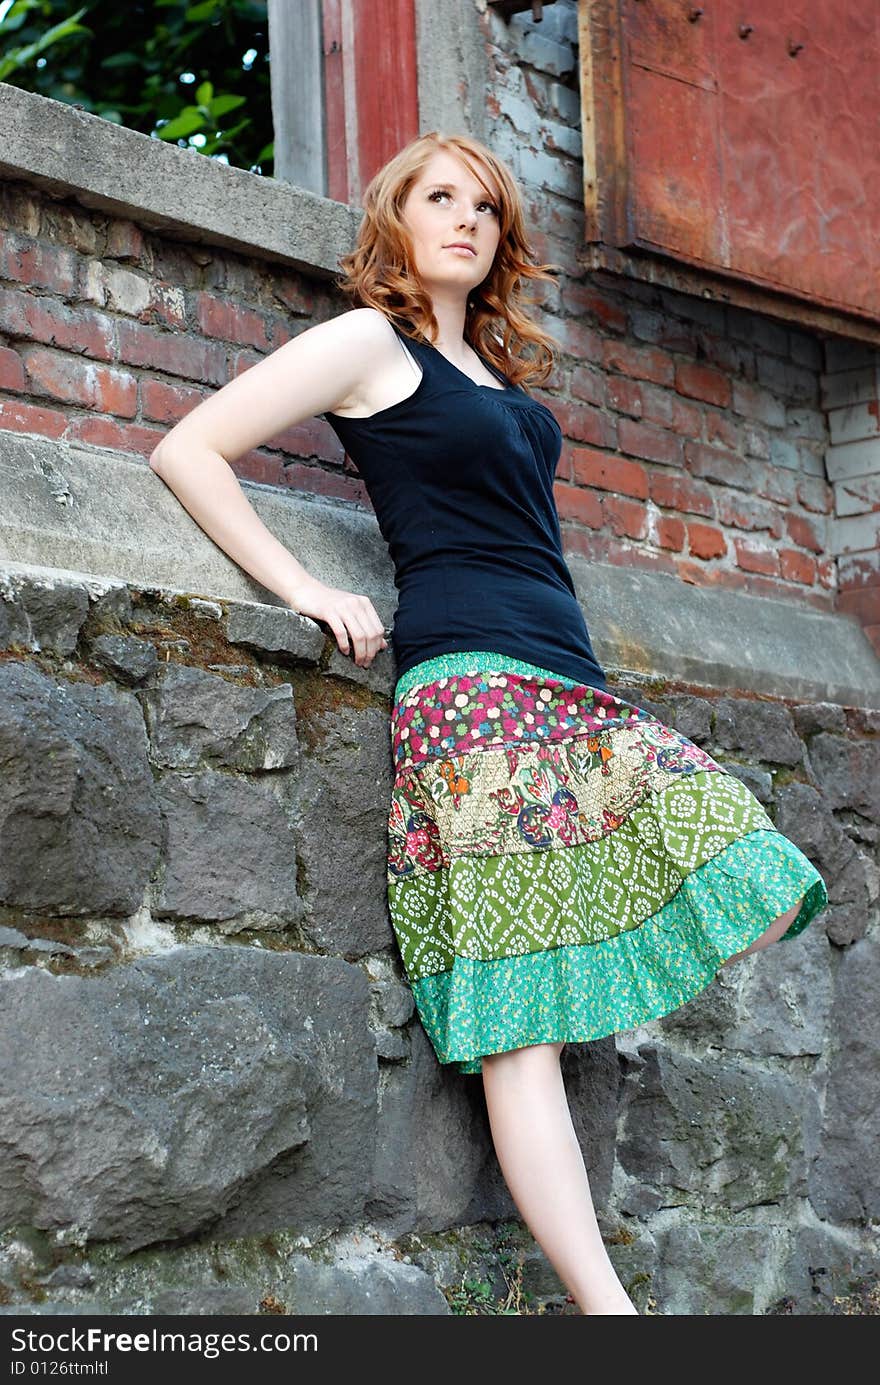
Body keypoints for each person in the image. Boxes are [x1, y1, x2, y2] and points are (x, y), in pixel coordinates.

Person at [148, 131, 830, 1316]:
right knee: (524, 1028)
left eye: (484, 206)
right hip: (468, 687)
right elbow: (187, 448)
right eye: (438, 199)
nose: (464, 219)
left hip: (564, 681)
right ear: (398, 220)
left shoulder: (496, 379)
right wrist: (304, 587)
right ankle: (608, 1309)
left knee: (762, 875)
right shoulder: (371, 342)